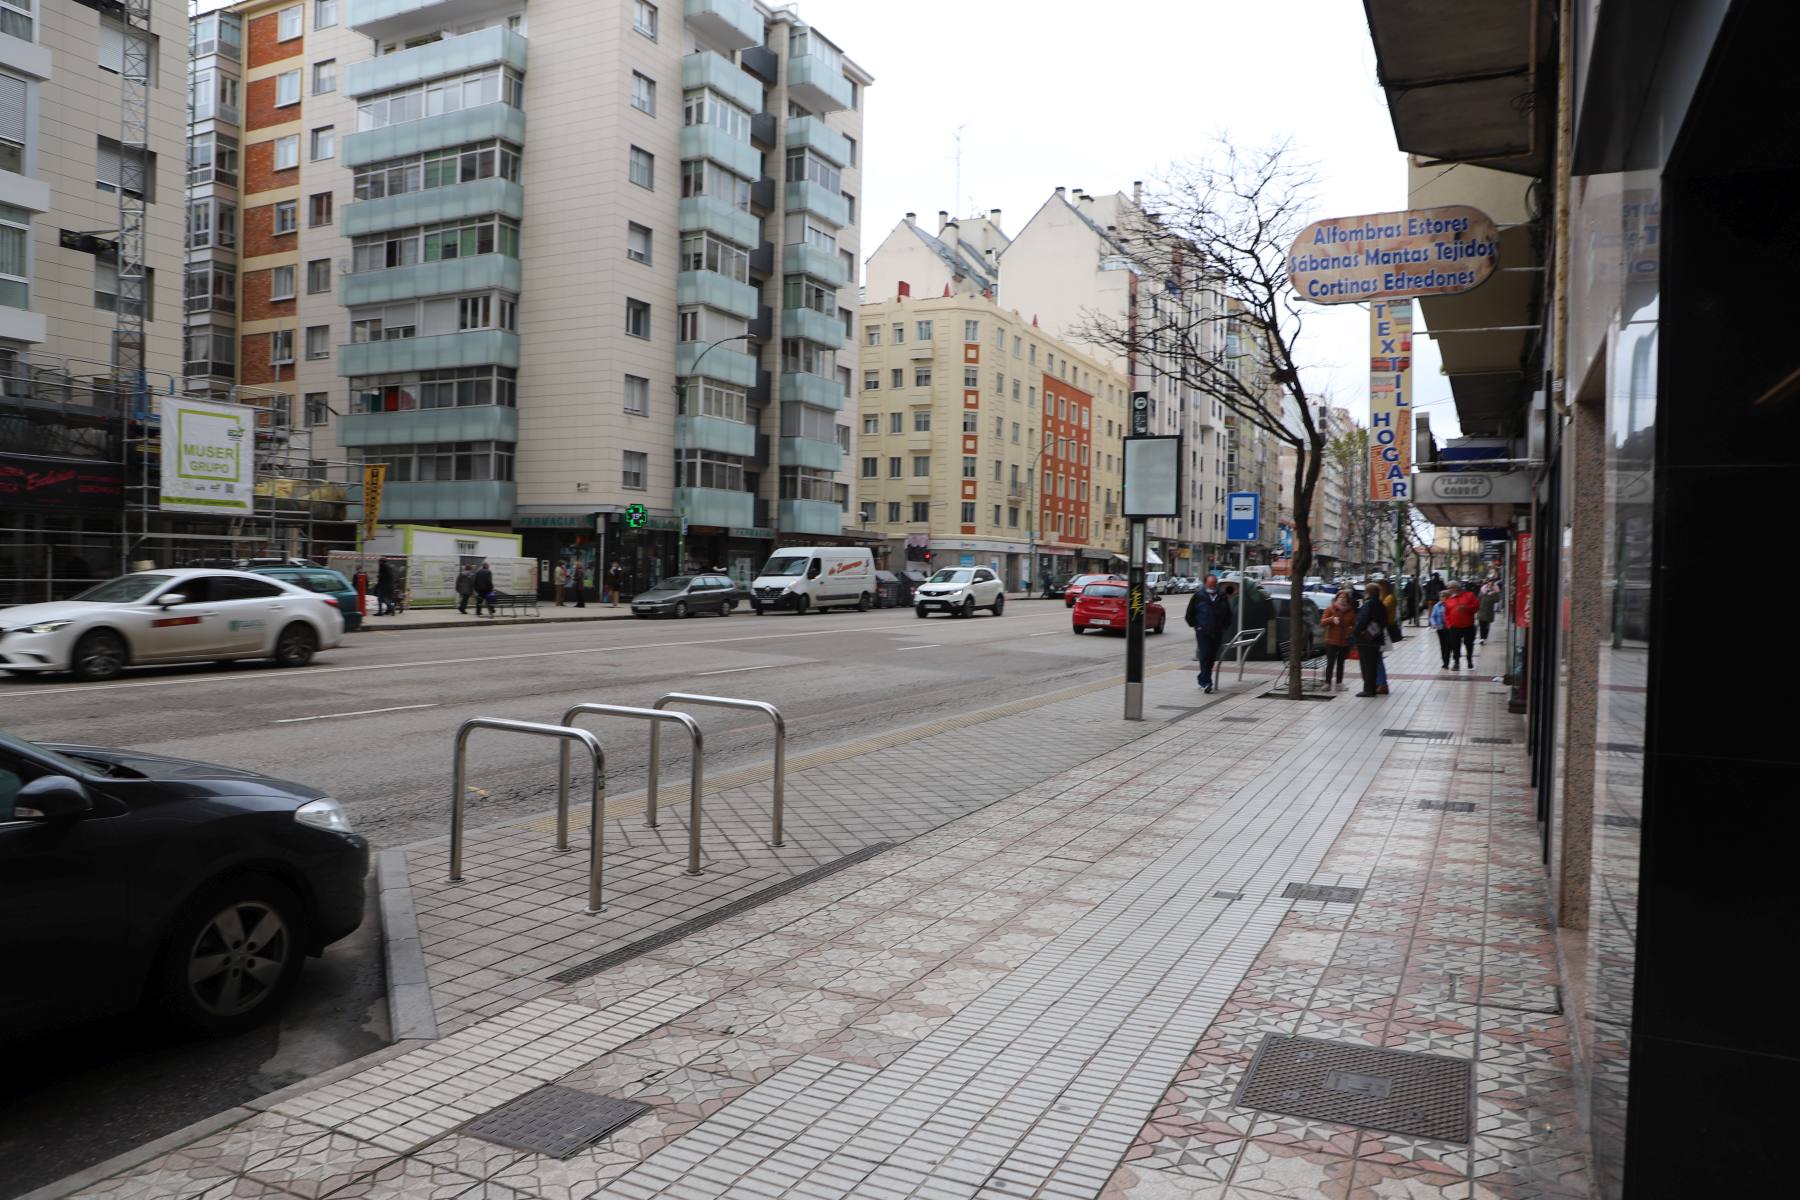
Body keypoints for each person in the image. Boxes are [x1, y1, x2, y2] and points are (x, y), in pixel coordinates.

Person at [1184, 573, 1233, 694]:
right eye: (1210, 584)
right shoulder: (1199, 596)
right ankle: (1207, 682)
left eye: (1214, 584)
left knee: (1211, 657)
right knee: (1205, 655)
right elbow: (1189, 613)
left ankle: (1202, 677)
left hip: (1217, 631)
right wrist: (1197, 626)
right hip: (1203, 632)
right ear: (1205, 583)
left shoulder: (1221, 596)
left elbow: (1228, 614)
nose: (1212, 586)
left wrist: (1224, 627)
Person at [1353, 584, 1390, 697]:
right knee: (1373, 665)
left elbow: (1362, 621)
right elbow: (1383, 622)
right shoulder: (1381, 605)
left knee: (1366, 665)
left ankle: (1368, 689)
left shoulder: (1369, 604)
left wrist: (1356, 632)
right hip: (1376, 638)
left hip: (1366, 640)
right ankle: (1372, 687)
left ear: (1368, 593)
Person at [1320, 589, 1356, 691]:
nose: (1342, 600)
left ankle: (1339, 683)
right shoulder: (1330, 609)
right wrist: (1331, 619)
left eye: (1344, 598)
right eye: (1340, 597)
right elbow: (1322, 622)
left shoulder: (1350, 611)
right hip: (1331, 640)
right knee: (1330, 662)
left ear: (1348, 600)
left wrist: (1351, 629)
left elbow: (1355, 624)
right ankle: (1327, 683)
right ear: (1336, 598)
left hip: (1344, 641)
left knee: (1341, 663)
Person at [1442, 580, 1479, 668]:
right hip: (1454, 627)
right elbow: (1446, 614)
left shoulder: (1469, 595)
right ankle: (1456, 662)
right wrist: (1449, 624)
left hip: (1468, 626)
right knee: (1455, 645)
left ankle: (1469, 660)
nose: (1448, 590)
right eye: (1448, 588)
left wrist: (1467, 608)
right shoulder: (1449, 600)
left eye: (1450, 588)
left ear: (1456, 588)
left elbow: (1476, 607)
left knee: (1469, 644)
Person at [1430, 589, 1453, 669]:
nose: (1441, 598)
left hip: (1449, 628)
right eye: (1440, 596)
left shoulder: (1450, 605)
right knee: (1443, 646)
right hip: (1440, 628)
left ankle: (1447, 661)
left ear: (1447, 597)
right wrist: (1434, 624)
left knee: (1448, 646)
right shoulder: (1437, 606)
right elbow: (1432, 617)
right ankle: (1444, 662)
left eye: (1443, 596)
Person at [1477, 579, 1500, 643]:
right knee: (1481, 625)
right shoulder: (1482, 589)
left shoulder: (1495, 591)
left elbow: (1497, 600)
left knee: (1487, 625)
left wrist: (1494, 593)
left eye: (1491, 584)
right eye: (1489, 583)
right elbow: (1478, 598)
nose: (1490, 585)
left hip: (1489, 611)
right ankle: (1482, 638)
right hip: (1481, 610)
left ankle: (1485, 637)